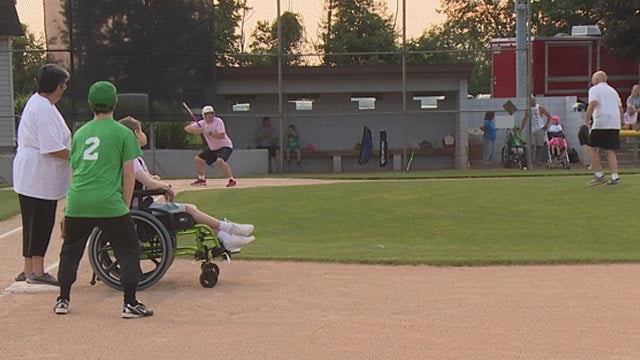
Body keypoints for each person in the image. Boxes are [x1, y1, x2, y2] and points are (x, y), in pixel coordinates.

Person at [55, 81, 153, 318]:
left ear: (90, 104)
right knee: (128, 249)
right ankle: (130, 303)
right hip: (109, 202)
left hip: (79, 200)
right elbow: (129, 173)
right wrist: (126, 205)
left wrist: (70, 204)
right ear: (114, 103)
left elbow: (74, 170)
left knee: (70, 250)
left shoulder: (80, 133)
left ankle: (63, 299)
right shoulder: (122, 133)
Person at [118, 116, 255, 251]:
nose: (143, 135)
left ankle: (226, 237)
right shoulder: (132, 159)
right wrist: (166, 187)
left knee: (190, 209)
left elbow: (147, 179)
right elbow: (151, 184)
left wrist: (155, 179)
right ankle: (227, 228)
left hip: (143, 205)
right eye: (141, 131)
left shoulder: (135, 158)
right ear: (136, 133)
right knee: (189, 210)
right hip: (142, 209)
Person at [12, 64, 71, 286]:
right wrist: (77, 157)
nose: (64, 89)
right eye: (63, 84)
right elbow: (51, 147)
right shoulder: (43, 108)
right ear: (56, 85)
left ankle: (29, 268)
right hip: (39, 175)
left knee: (31, 221)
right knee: (41, 222)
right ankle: (37, 269)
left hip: (32, 173)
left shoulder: (39, 103)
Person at [583, 70, 623, 186]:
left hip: (601, 122)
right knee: (610, 150)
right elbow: (620, 108)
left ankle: (599, 174)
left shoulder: (594, 90)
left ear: (596, 79)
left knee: (591, 147)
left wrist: (585, 121)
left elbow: (592, 104)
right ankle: (615, 177)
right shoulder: (613, 91)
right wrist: (620, 123)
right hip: (614, 123)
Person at [184, 105, 236, 187]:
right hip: (213, 148)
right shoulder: (202, 123)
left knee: (220, 160)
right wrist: (199, 130)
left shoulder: (218, 121)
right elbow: (187, 128)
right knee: (198, 159)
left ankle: (231, 179)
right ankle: (201, 179)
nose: (210, 115)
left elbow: (221, 135)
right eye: (207, 114)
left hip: (225, 146)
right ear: (204, 115)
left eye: (211, 113)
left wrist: (209, 133)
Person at [520, 96, 552, 166]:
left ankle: (537, 161)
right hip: (531, 129)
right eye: (531, 101)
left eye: (534, 100)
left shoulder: (540, 108)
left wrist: (546, 125)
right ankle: (530, 161)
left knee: (539, 146)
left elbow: (549, 115)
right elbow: (524, 119)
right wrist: (521, 129)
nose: (533, 102)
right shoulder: (528, 109)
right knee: (531, 145)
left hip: (540, 129)